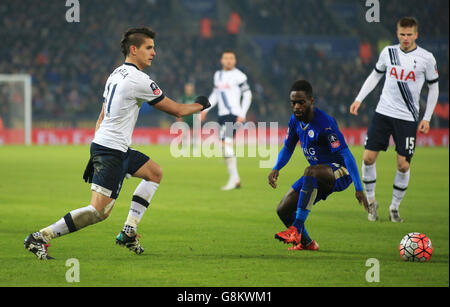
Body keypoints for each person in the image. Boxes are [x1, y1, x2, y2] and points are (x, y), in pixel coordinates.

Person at [24, 27, 210, 260]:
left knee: (154, 173)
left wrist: (97, 145)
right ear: (134, 50)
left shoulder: (116, 73)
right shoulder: (139, 80)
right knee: (98, 212)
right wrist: (201, 104)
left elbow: (102, 114)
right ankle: (39, 237)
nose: (154, 53)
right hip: (110, 150)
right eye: (149, 48)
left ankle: (129, 231)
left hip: (112, 146)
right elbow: (178, 111)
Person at [350, 17, 439, 222]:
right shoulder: (388, 52)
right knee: (367, 158)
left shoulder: (426, 58)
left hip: (407, 118)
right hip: (383, 113)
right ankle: (372, 203)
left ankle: (395, 207)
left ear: (416, 35)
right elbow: (375, 76)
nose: (405, 38)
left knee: (403, 166)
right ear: (397, 33)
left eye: (409, 34)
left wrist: (427, 117)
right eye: (402, 34)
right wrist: (358, 99)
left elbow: (434, 87)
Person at [268, 80, 368, 251]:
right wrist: (276, 168)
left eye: (301, 102)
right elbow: (288, 148)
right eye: (293, 103)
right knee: (283, 210)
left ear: (311, 101)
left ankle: (296, 229)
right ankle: (307, 243)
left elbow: (346, 155)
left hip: (340, 172)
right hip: (315, 175)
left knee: (310, 171)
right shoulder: (295, 121)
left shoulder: (325, 123)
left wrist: (359, 188)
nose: (297, 106)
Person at [201, 50, 252, 190]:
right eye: (226, 58)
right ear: (221, 60)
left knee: (225, 144)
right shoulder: (218, 75)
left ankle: (234, 179)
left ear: (235, 61)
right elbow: (216, 94)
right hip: (222, 116)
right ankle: (235, 179)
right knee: (225, 145)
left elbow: (247, 95)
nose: (229, 60)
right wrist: (205, 109)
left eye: (231, 58)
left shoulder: (239, 76)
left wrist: (242, 113)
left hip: (233, 115)